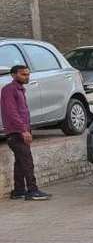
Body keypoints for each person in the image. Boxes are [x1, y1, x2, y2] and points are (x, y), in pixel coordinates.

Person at [1, 65, 50, 201]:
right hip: (16, 132)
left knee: (20, 162)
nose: (27, 77)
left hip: (21, 131)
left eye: (28, 74)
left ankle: (19, 191)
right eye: (23, 74)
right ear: (13, 75)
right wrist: (23, 130)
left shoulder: (20, 90)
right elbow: (12, 113)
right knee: (27, 161)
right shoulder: (9, 90)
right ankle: (32, 191)